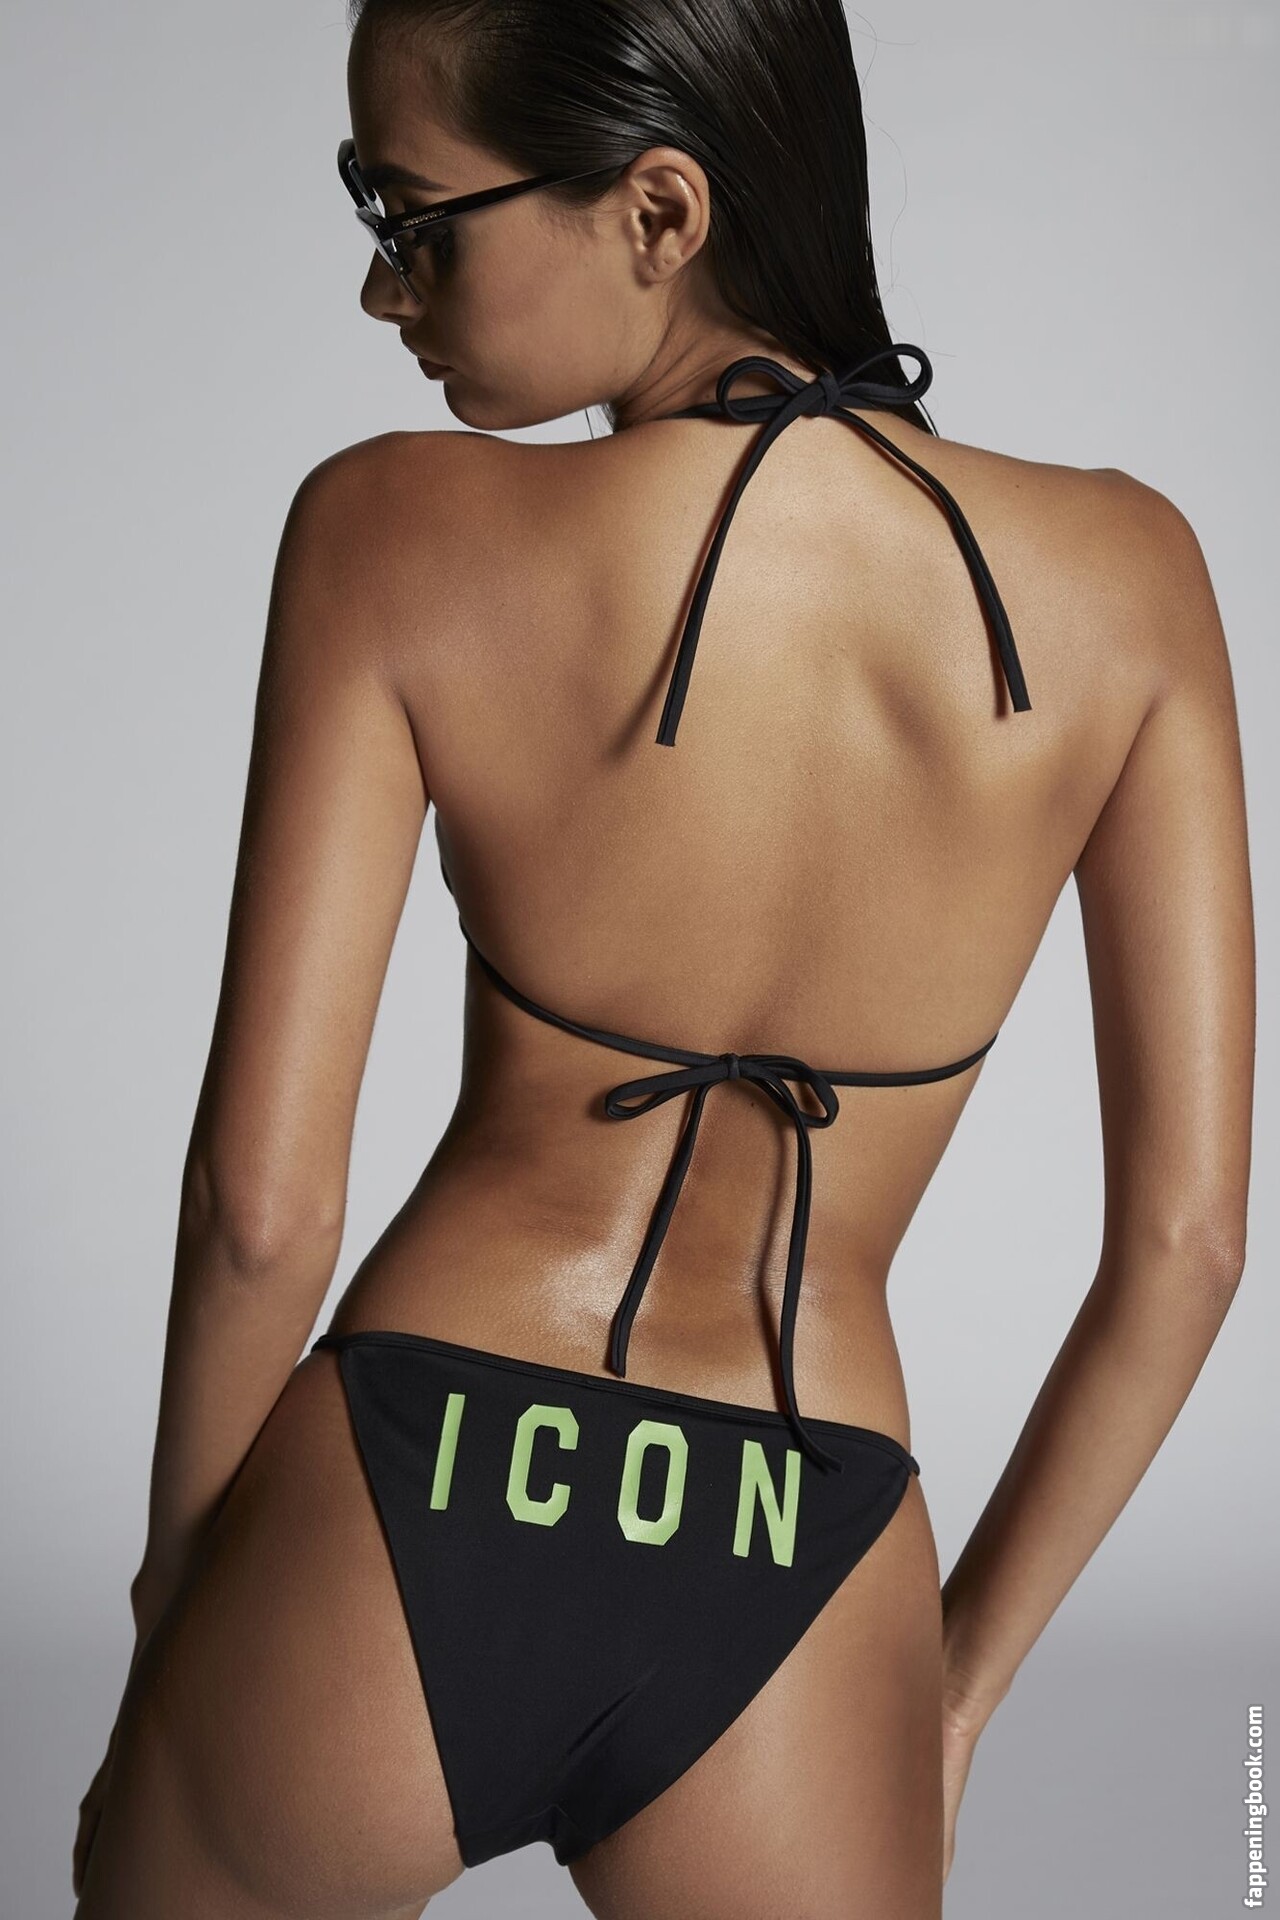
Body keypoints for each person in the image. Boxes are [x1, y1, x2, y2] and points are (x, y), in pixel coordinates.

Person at [71, 0, 1254, 1914]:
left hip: (413, 1476)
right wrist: (949, 1698)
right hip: (804, 1535)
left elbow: (261, 1214)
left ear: (660, 211)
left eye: (415, 219)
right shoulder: (1134, 585)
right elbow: (1189, 1248)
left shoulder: (391, 527)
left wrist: (183, 1610)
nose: (383, 290)